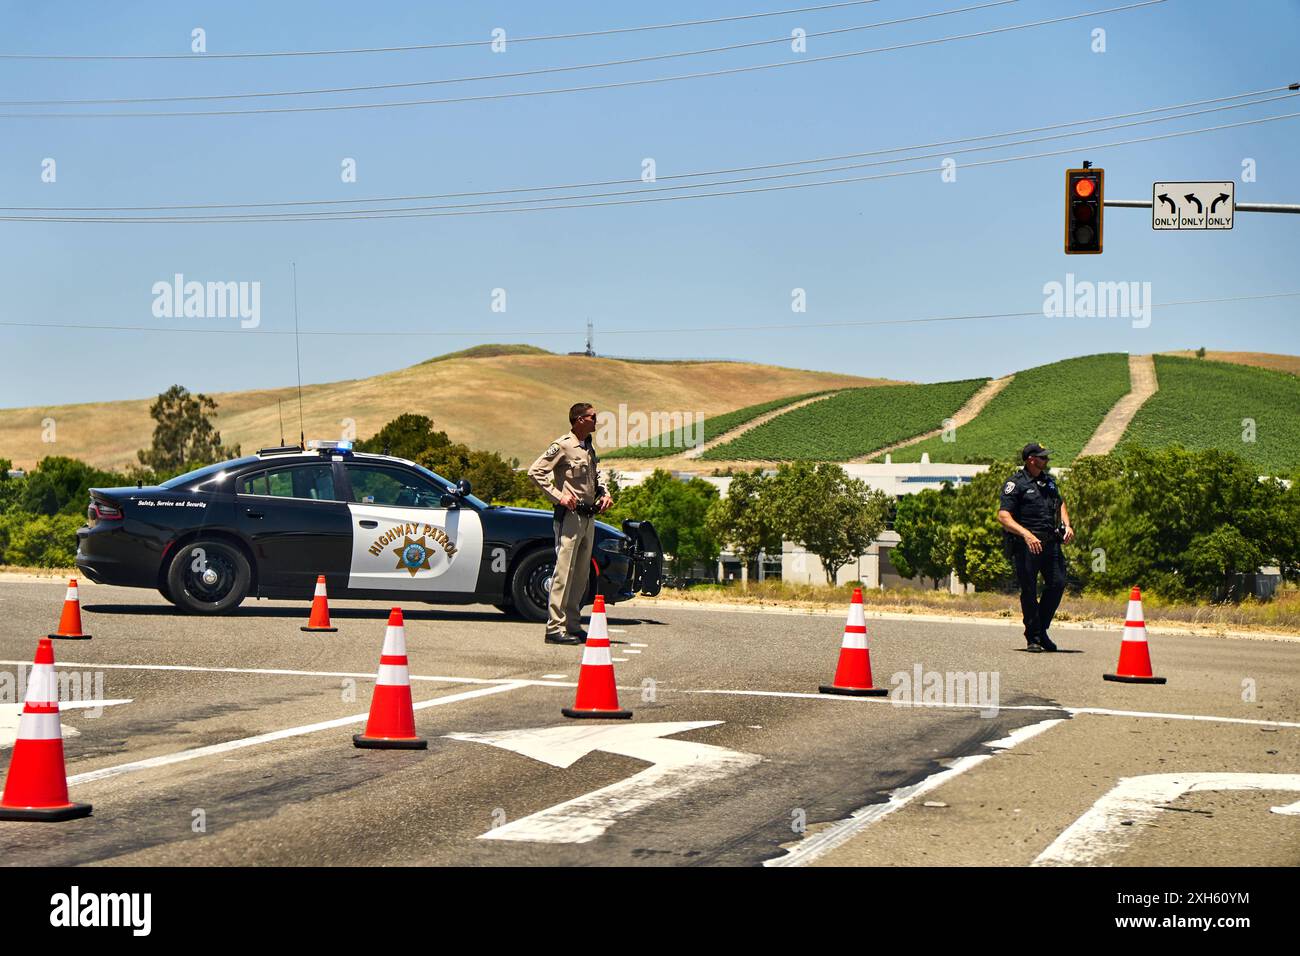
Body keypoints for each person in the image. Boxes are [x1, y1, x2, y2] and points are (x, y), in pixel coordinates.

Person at [528, 402, 614, 645]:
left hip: (589, 516)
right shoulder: (563, 445)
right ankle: (554, 628)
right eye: (592, 417)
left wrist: (604, 492)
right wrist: (559, 496)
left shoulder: (588, 447)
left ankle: (573, 625)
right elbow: (536, 472)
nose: (596, 420)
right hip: (570, 518)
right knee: (563, 573)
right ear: (578, 419)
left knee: (581, 575)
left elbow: (595, 475)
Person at [996, 442, 1074, 652]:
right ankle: (1034, 637)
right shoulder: (1015, 483)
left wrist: (1066, 525)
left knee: (1058, 583)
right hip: (1027, 546)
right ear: (1031, 459)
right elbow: (1003, 516)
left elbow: (1060, 502)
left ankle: (1040, 629)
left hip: (1051, 543)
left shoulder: (1049, 482)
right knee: (1029, 591)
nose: (1046, 460)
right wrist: (1027, 535)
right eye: (1042, 457)